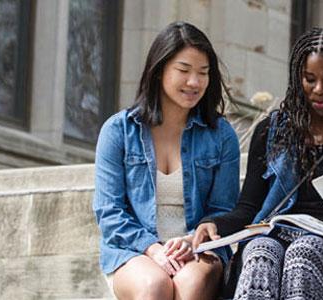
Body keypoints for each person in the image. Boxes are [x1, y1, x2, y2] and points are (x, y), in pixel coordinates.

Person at [192, 27, 323, 300]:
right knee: (260, 251)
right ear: (296, 78)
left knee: (304, 252)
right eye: (309, 79)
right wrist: (213, 224)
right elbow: (248, 208)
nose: (319, 90)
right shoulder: (271, 133)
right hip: (275, 236)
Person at [93, 21, 240, 300]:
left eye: (203, 73)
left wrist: (191, 240)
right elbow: (109, 211)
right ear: (159, 71)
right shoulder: (119, 131)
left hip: (198, 248)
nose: (194, 82)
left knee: (190, 285)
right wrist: (154, 249)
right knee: (154, 286)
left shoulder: (222, 136)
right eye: (184, 70)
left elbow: (223, 209)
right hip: (133, 250)